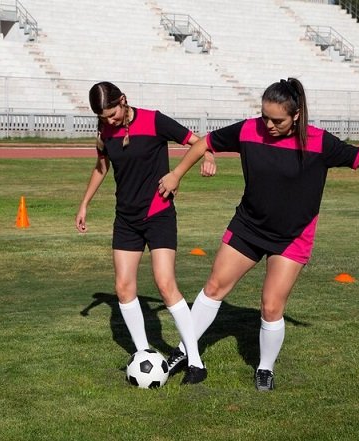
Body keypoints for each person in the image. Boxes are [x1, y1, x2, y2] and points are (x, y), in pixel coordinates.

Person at [158, 78, 359, 391]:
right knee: (214, 287)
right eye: (264, 116)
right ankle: (186, 350)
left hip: (292, 236)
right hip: (249, 226)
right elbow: (205, 142)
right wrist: (176, 174)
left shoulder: (319, 142)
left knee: (271, 306)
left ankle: (265, 368)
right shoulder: (248, 130)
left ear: (296, 115)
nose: (268, 124)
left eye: (276, 119)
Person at [75, 81, 216, 384]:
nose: (109, 121)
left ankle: (195, 360)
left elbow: (198, 141)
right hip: (126, 218)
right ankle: (143, 353)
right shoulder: (104, 133)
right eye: (102, 117)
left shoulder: (154, 120)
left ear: (123, 101)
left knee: (165, 285)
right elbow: (101, 167)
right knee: (124, 288)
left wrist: (205, 158)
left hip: (158, 214)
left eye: (112, 114)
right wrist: (84, 203)